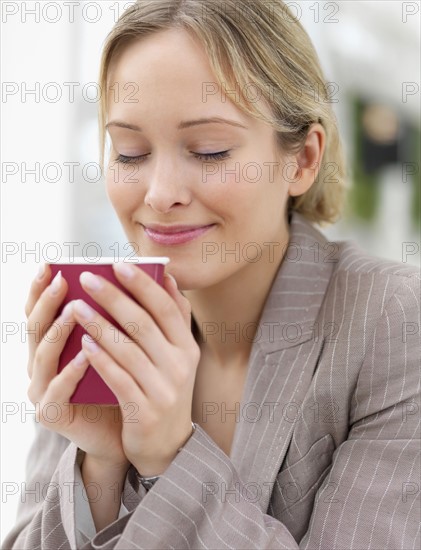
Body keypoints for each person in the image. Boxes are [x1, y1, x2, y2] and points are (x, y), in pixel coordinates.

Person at [2, 1, 420, 549]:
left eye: (209, 150)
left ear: (302, 160)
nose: (159, 194)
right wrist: (99, 468)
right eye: (130, 153)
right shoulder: (101, 324)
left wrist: (170, 459)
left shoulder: (393, 320)